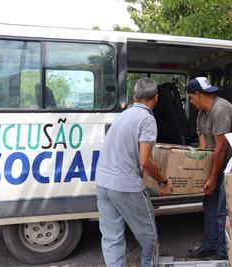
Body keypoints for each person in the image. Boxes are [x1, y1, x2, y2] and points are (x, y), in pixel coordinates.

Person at [95, 78, 173, 267]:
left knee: (112, 238)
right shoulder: (147, 119)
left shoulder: (121, 116)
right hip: (126, 186)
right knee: (149, 239)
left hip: (103, 183)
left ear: (134, 96)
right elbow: (145, 161)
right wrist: (162, 182)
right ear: (156, 98)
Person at [186, 77, 232, 260]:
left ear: (199, 94)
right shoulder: (202, 114)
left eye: (191, 97)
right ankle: (209, 246)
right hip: (218, 160)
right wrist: (203, 174)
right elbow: (205, 148)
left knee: (223, 209)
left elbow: (221, 147)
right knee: (209, 204)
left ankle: (222, 254)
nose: (191, 101)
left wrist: (213, 179)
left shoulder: (220, 109)